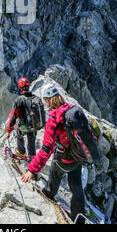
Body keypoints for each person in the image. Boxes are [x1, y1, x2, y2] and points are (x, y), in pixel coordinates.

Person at [21, 85, 86, 224]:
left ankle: (47, 197)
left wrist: (32, 170)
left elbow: (46, 149)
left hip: (62, 160)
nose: (45, 104)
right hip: (78, 158)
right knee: (77, 188)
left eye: (45, 101)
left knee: (52, 181)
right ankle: (79, 219)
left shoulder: (54, 118)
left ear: (49, 101)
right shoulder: (73, 109)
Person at [6, 78, 43, 159]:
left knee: (19, 133)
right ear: (28, 86)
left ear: (20, 87)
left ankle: (21, 152)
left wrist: (9, 130)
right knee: (31, 138)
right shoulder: (36, 98)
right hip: (35, 126)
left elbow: (13, 116)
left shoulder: (19, 100)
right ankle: (32, 156)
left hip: (24, 127)